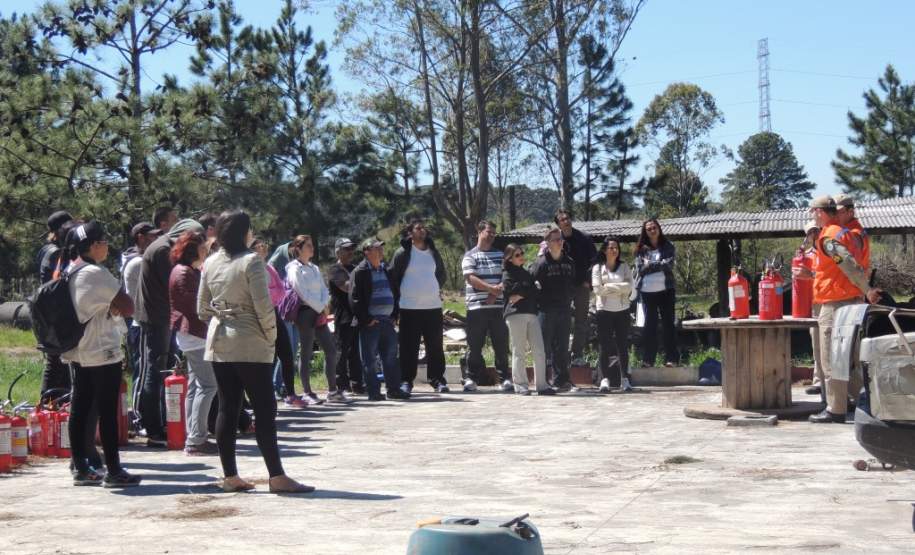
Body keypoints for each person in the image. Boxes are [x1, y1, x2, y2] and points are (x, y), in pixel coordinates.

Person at [197, 210, 312, 493]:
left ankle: (230, 476)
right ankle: (276, 476)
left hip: (220, 341)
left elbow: (202, 308)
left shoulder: (210, 262)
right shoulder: (252, 262)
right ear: (244, 232)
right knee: (264, 408)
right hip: (251, 341)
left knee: (228, 406)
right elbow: (263, 306)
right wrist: (271, 337)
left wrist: (225, 314)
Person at [62, 221, 142, 487]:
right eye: (104, 241)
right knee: (108, 411)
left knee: (80, 408)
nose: (107, 245)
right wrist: (114, 305)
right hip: (102, 350)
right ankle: (114, 471)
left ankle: (81, 469)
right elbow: (128, 306)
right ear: (94, 245)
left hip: (78, 350)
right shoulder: (95, 273)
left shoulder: (70, 269)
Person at [807, 196, 881, 424]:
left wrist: (867, 290)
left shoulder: (829, 236)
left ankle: (835, 409)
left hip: (835, 302)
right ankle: (868, 402)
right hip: (848, 299)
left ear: (820, 212)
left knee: (831, 358)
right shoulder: (846, 232)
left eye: (813, 211)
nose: (812, 215)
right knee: (849, 358)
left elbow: (847, 263)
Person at [134, 217, 204, 447]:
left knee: (163, 369)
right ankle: (150, 424)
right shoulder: (164, 249)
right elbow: (173, 285)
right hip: (155, 318)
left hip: (163, 317)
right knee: (153, 370)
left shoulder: (163, 246)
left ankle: (163, 421)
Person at [169, 231, 219, 456]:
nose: (206, 250)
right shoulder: (184, 273)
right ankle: (196, 439)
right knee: (208, 385)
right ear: (193, 249)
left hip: (191, 335)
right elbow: (196, 307)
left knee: (196, 386)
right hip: (194, 335)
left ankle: (193, 435)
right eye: (202, 247)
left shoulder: (185, 271)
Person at [389, 219, 449, 394]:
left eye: (424, 228)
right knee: (408, 347)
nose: (423, 230)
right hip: (409, 307)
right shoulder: (402, 253)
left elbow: (441, 274)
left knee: (436, 346)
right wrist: (399, 301)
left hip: (433, 307)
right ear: (410, 232)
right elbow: (393, 277)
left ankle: (437, 380)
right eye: (418, 228)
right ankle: (406, 381)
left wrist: (433, 288)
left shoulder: (433, 252)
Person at [286, 235, 344, 404]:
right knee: (306, 352)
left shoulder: (314, 268)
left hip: (320, 313)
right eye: (308, 246)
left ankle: (332, 390)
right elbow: (301, 291)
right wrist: (320, 307)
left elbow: (324, 289)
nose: (312, 248)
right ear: (298, 248)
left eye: (312, 245)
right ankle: (307, 392)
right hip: (305, 313)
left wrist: (326, 305)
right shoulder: (293, 268)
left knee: (331, 350)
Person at [350, 237, 409, 401]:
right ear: (366, 252)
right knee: (369, 360)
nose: (381, 251)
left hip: (387, 321)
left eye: (381, 248)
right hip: (371, 322)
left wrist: (394, 314)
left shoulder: (387, 269)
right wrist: (367, 319)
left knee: (390, 357)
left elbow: (396, 293)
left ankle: (393, 389)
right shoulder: (360, 272)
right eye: (376, 248)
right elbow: (354, 299)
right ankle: (374, 392)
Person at [253, 238, 305, 408]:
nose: (263, 249)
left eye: (264, 245)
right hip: (260, 316)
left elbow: (280, 291)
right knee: (269, 357)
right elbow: (261, 294)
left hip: (275, 312)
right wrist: (271, 294)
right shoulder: (252, 269)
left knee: (287, 352)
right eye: (258, 246)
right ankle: (267, 393)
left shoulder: (268, 267)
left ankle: (290, 393)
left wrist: (270, 294)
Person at [461, 220, 512, 392]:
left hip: (498, 308)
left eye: (493, 233)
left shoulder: (500, 255)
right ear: (479, 232)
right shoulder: (470, 256)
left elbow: (507, 276)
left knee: (501, 344)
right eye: (488, 232)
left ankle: (505, 379)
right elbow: (471, 278)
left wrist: (493, 295)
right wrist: (491, 289)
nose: (491, 235)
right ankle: (470, 378)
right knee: (475, 346)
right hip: (476, 309)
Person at [501, 244, 554, 396]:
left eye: (521, 253)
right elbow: (510, 292)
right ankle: (521, 385)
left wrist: (522, 292)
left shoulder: (527, 273)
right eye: (517, 255)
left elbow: (536, 290)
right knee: (519, 351)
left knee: (539, 350)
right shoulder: (506, 274)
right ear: (509, 259)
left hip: (532, 313)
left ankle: (542, 385)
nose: (521, 256)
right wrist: (527, 289)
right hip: (515, 314)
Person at [531, 226, 578, 392]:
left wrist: (569, 298)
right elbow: (533, 286)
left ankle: (562, 380)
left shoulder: (570, 262)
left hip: (564, 309)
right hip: (546, 310)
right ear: (547, 243)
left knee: (562, 346)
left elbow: (573, 284)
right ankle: (542, 382)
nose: (560, 242)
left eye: (561, 239)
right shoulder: (540, 264)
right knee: (544, 347)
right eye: (556, 239)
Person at [35, 210, 74, 395]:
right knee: (56, 364)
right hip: (54, 315)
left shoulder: (45, 249)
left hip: (47, 313)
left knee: (56, 363)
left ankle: (54, 404)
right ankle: (48, 404)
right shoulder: (56, 253)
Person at [121, 222, 162, 394]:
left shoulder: (141, 260)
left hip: (145, 322)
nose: (157, 239)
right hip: (140, 323)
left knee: (151, 370)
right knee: (143, 370)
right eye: (153, 236)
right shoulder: (138, 263)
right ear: (141, 238)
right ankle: (140, 413)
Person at [633, 219, 679, 367]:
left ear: (659, 229)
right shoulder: (640, 250)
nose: (652, 230)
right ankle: (648, 360)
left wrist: (650, 265)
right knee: (649, 326)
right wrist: (659, 264)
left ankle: (671, 359)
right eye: (648, 229)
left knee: (668, 325)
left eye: (654, 227)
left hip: (666, 291)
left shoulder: (668, 246)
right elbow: (640, 269)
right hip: (647, 293)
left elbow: (669, 265)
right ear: (645, 232)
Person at [555, 210, 597, 365]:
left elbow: (595, 260)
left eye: (568, 218)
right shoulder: (555, 239)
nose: (566, 221)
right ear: (558, 223)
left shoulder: (584, 238)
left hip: (581, 285)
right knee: (561, 320)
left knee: (581, 321)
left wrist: (588, 281)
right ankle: (559, 354)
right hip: (562, 287)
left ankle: (577, 355)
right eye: (562, 219)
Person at [592, 237, 634, 392]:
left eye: (616, 247)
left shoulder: (624, 267)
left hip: (622, 311)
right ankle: (604, 379)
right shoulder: (597, 268)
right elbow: (597, 289)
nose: (614, 250)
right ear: (604, 250)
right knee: (604, 346)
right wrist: (619, 288)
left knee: (622, 346)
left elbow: (629, 287)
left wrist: (608, 286)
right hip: (604, 311)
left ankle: (625, 380)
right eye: (611, 247)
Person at [327, 237, 365, 395]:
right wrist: (363, 281)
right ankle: (341, 384)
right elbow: (347, 287)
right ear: (338, 251)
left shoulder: (355, 268)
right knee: (342, 351)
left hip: (357, 315)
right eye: (346, 249)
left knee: (356, 352)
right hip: (342, 316)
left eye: (352, 249)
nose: (350, 252)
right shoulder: (334, 270)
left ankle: (357, 383)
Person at [793, 221, 824, 399]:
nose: (813, 234)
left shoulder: (829, 249)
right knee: (817, 343)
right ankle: (819, 381)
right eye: (810, 232)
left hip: (830, 299)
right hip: (814, 302)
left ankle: (836, 383)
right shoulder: (806, 255)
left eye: (816, 230)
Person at [834, 193, 870, 270]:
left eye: (838, 212)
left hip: (851, 280)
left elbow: (849, 262)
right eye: (833, 212)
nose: (835, 215)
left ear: (850, 212)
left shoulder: (855, 233)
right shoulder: (848, 230)